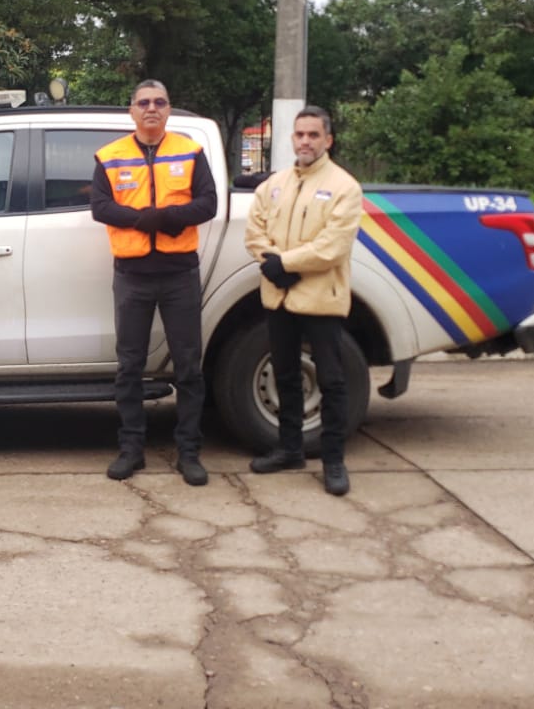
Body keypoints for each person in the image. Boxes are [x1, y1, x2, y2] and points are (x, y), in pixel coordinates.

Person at [90, 81, 218, 485]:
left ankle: (189, 452)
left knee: (188, 367)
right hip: (133, 275)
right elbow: (100, 206)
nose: (151, 109)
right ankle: (131, 450)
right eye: (143, 103)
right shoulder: (110, 156)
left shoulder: (190, 151)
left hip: (180, 272)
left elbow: (208, 202)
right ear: (131, 111)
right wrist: (138, 219)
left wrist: (167, 218)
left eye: (159, 102)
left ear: (169, 109)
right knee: (129, 366)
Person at [243, 106, 364, 496]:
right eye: (300, 135)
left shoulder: (345, 187)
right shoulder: (275, 184)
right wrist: (271, 263)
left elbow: (333, 245)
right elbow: (254, 231)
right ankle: (289, 448)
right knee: (286, 376)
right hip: (278, 298)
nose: (305, 142)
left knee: (331, 380)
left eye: (313, 135)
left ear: (328, 140)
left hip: (320, 300)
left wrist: (289, 264)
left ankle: (333, 461)